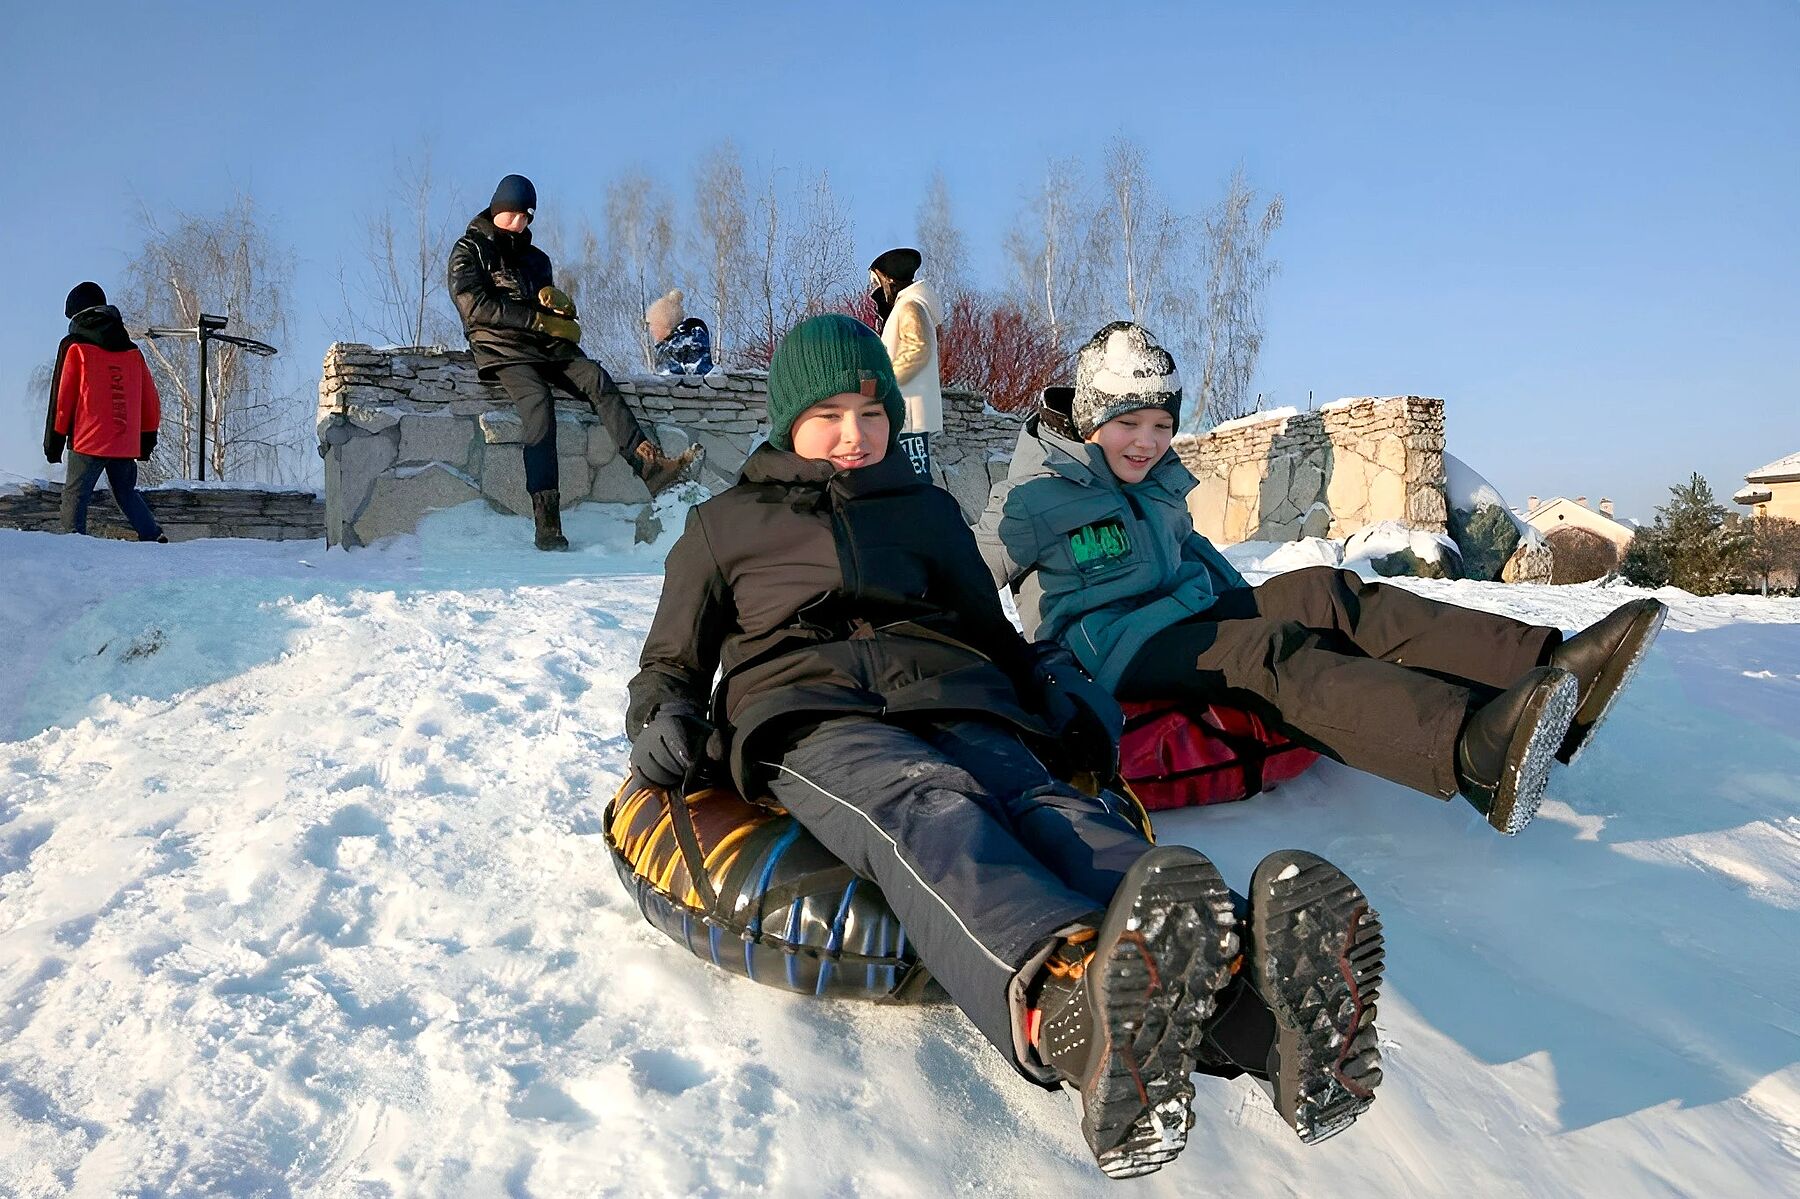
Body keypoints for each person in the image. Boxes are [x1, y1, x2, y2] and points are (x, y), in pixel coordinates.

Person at [625, 314, 1385, 1178]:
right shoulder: (724, 527)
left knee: (1054, 807)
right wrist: (662, 717)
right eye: (831, 412)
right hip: (814, 713)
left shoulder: (924, 510)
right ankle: (1065, 1004)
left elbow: (995, 635)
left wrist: (1054, 693)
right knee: (931, 809)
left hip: (957, 692)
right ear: (787, 414)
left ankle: (1269, 1021)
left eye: (873, 414)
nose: (854, 434)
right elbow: (669, 663)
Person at [977, 321, 1669, 837]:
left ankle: (1553, 671)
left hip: (1185, 615)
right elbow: (965, 573)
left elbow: (1195, 559)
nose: (1149, 440)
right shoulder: (1035, 494)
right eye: (1129, 422)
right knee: (1266, 652)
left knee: (1324, 591)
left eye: (1162, 423)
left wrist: (1247, 600)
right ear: (1092, 415)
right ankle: (1469, 750)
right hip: (1111, 652)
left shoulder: (1149, 477)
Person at [448, 173, 701, 551]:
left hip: (546, 347)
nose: (520, 222)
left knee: (596, 378)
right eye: (514, 214)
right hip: (502, 348)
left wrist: (561, 317)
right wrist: (532, 318)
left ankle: (651, 469)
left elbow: (545, 309)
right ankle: (546, 520)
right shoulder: (469, 250)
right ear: (498, 208)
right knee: (538, 403)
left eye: (527, 217)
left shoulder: (537, 260)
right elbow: (474, 306)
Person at [44, 281, 166, 542]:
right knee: (125, 491)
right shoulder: (132, 351)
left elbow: (62, 399)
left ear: (75, 315)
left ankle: (73, 542)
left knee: (76, 494)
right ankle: (152, 536)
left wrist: (53, 442)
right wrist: (146, 440)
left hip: (88, 439)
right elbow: (150, 401)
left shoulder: (73, 346)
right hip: (124, 440)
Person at [868, 248, 943, 479]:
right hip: (904, 408)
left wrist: (882, 382)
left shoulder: (910, 306)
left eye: (876, 281)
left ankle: (923, 514)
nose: (875, 288)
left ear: (888, 279)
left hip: (908, 409)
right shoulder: (908, 306)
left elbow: (917, 348)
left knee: (915, 477)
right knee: (907, 475)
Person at [646, 289, 714, 375]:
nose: (651, 330)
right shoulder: (664, 348)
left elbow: (695, 372)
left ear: (663, 323)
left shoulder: (688, 336)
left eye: (653, 324)